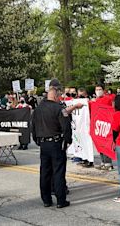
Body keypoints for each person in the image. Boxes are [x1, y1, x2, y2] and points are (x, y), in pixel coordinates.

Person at [32, 79, 83, 209]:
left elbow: (33, 126)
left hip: (43, 143)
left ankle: (46, 199)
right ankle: (61, 200)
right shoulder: (59, 108)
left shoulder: (37, 109)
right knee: (58, 172)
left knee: (45, 172)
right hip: (56, 143)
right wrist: (67, 141)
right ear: (55, 95)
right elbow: (66, 127)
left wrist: (37, 140)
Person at [91, 84, 115, 170]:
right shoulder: (95, 100)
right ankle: (103, 162)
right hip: (97, 124)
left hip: (105, 124)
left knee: (106, 144)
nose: (98, 91)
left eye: (99, 89)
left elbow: (112, 109)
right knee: (99, 143)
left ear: (103, 90)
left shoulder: (108, 99)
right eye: (96, 89)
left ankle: (108, 163)